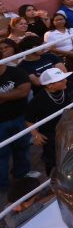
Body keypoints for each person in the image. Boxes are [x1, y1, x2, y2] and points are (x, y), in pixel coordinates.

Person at [25, 68, 73, 175]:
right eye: (61, 80)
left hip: (71, 128)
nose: (65, 81)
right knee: (53, 160)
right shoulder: (38, 100)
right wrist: (36, 135)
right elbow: (28, 119)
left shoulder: (69, 86)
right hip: (51, 134)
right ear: (50, 85)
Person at [0, 59, 32, 200]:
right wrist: (12, 94)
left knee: (22, 147)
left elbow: (24, 91)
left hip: (20, 118)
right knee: (1, 154)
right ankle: (2, 184)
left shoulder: (16, 72)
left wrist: (2, 97)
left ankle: (22, 175)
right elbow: (19, 92)